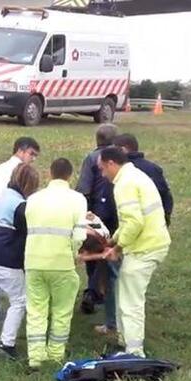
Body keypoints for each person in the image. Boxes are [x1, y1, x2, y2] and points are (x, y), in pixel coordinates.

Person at [98, 147, 171, 358]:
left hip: (145, 248)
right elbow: (129, 222)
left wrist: (117, 248)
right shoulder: (135, 175)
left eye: (103, 169)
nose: (103, 174)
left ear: (112, 163)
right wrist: (113, 240)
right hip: (151, 243)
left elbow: (134, 222)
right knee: (124, 291)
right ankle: (124, 341)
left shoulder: (124, 184)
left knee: (131, 301)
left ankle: (134, 352)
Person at [24, 158, 88, 369]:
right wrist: (74, 255)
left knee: (36, 311)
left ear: (49, 173)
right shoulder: (77, 199)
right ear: (70, 175)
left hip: (33, 262)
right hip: (62, 264)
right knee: (61, 311)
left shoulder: (33, 199)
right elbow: (79, 235)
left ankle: (35, 357)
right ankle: (55, 355)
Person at [0, 164, 40, 360]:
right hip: (5, 257)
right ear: (29, 184)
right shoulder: (21, 206)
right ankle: (7, 343)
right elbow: (27, 234)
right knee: (19, 300)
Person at [76, 124, 119, 314]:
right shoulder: (118, 160)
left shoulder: (92, 158)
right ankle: (100, 290)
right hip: (116, 211)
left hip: (96, 213)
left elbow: (84, 188)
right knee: (108, 249)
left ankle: (93, 291)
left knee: (92, 249)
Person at [112, 134, 174, 227]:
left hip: (130, 224)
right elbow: (165, 194)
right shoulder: (154, 168)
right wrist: (166, 216)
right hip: (155, 221)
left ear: (123, 150)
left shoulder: (121, 170)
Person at [0, 137, 40, 204]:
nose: (33, 159)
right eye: (31, 154)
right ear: (20, 151)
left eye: (35, 156)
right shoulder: (21, 172)